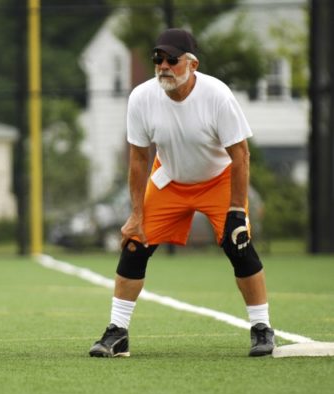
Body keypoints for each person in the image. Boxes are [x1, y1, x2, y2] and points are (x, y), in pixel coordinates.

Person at [89, 28, 275, 358]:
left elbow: (240, 155)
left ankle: (261, 328)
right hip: (170, 180)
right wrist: (136, 213)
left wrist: (236, 210)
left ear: (192, 64)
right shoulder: (141, 97)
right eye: (158, 59)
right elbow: (139, 157)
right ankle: (118, 333)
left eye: (171, 60)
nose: (163, 66)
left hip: (217, 180)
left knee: (239, 245)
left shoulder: (217, 95)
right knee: (135, 244)